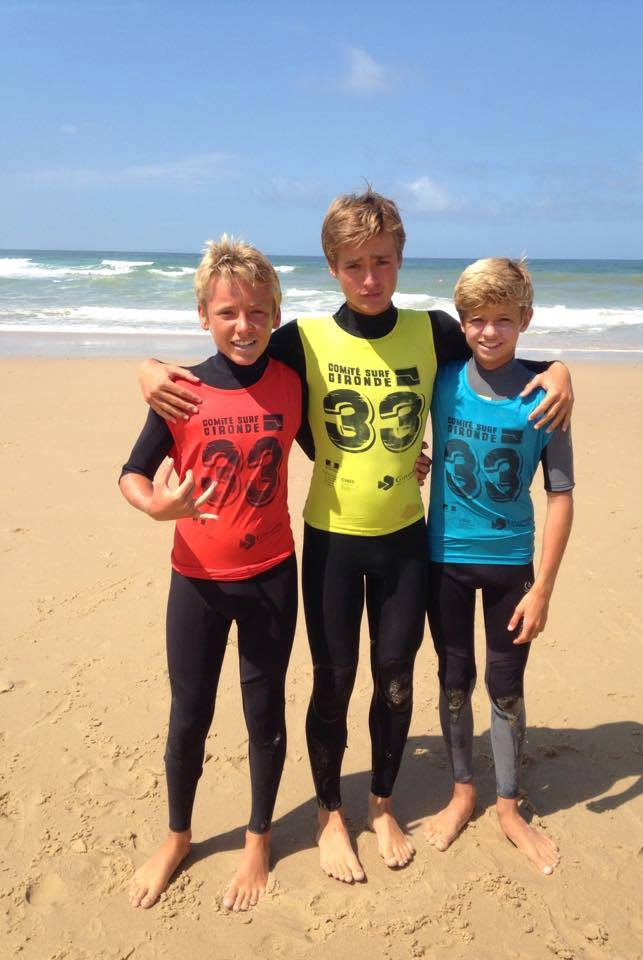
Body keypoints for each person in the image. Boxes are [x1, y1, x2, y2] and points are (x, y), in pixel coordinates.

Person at [138, 189, 574, 884]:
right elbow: (226, 355)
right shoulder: (301, 338)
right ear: (332, 268)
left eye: (382, 262)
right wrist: (149, 369)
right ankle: (329, 813)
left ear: (399, 261)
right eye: (353, 265)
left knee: (396, 680)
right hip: (331, 541)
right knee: (334, 682)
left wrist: (559, 371)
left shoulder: (433, 332)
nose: (370, 278)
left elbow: (504, 343)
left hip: (405, 542)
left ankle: (379, 804)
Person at [119, 237, 301, 911]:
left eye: (257, 311)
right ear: (204, 315)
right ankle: (177, 835)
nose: (244, 324)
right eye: (228, 312)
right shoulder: (181, 390)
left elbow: (334, 442)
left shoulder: (291, 382)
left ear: (275, 315)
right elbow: (133, 472)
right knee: (188, 713)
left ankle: (258, 836)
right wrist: (156, 506)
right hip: (194, 580)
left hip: (272, 578)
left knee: (263, 713)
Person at [419, 257, 574, 875]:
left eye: (502, 320)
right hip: (444, 562)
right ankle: (464, 792)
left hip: (512, 566)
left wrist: (543, 589)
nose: (488, 332)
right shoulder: (443, 377)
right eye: (476, 320)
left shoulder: (544, 395)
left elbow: (560, 494)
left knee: (505, 687)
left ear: (525, 319)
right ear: (462, 323)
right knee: (454, 680)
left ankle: (508, 805)